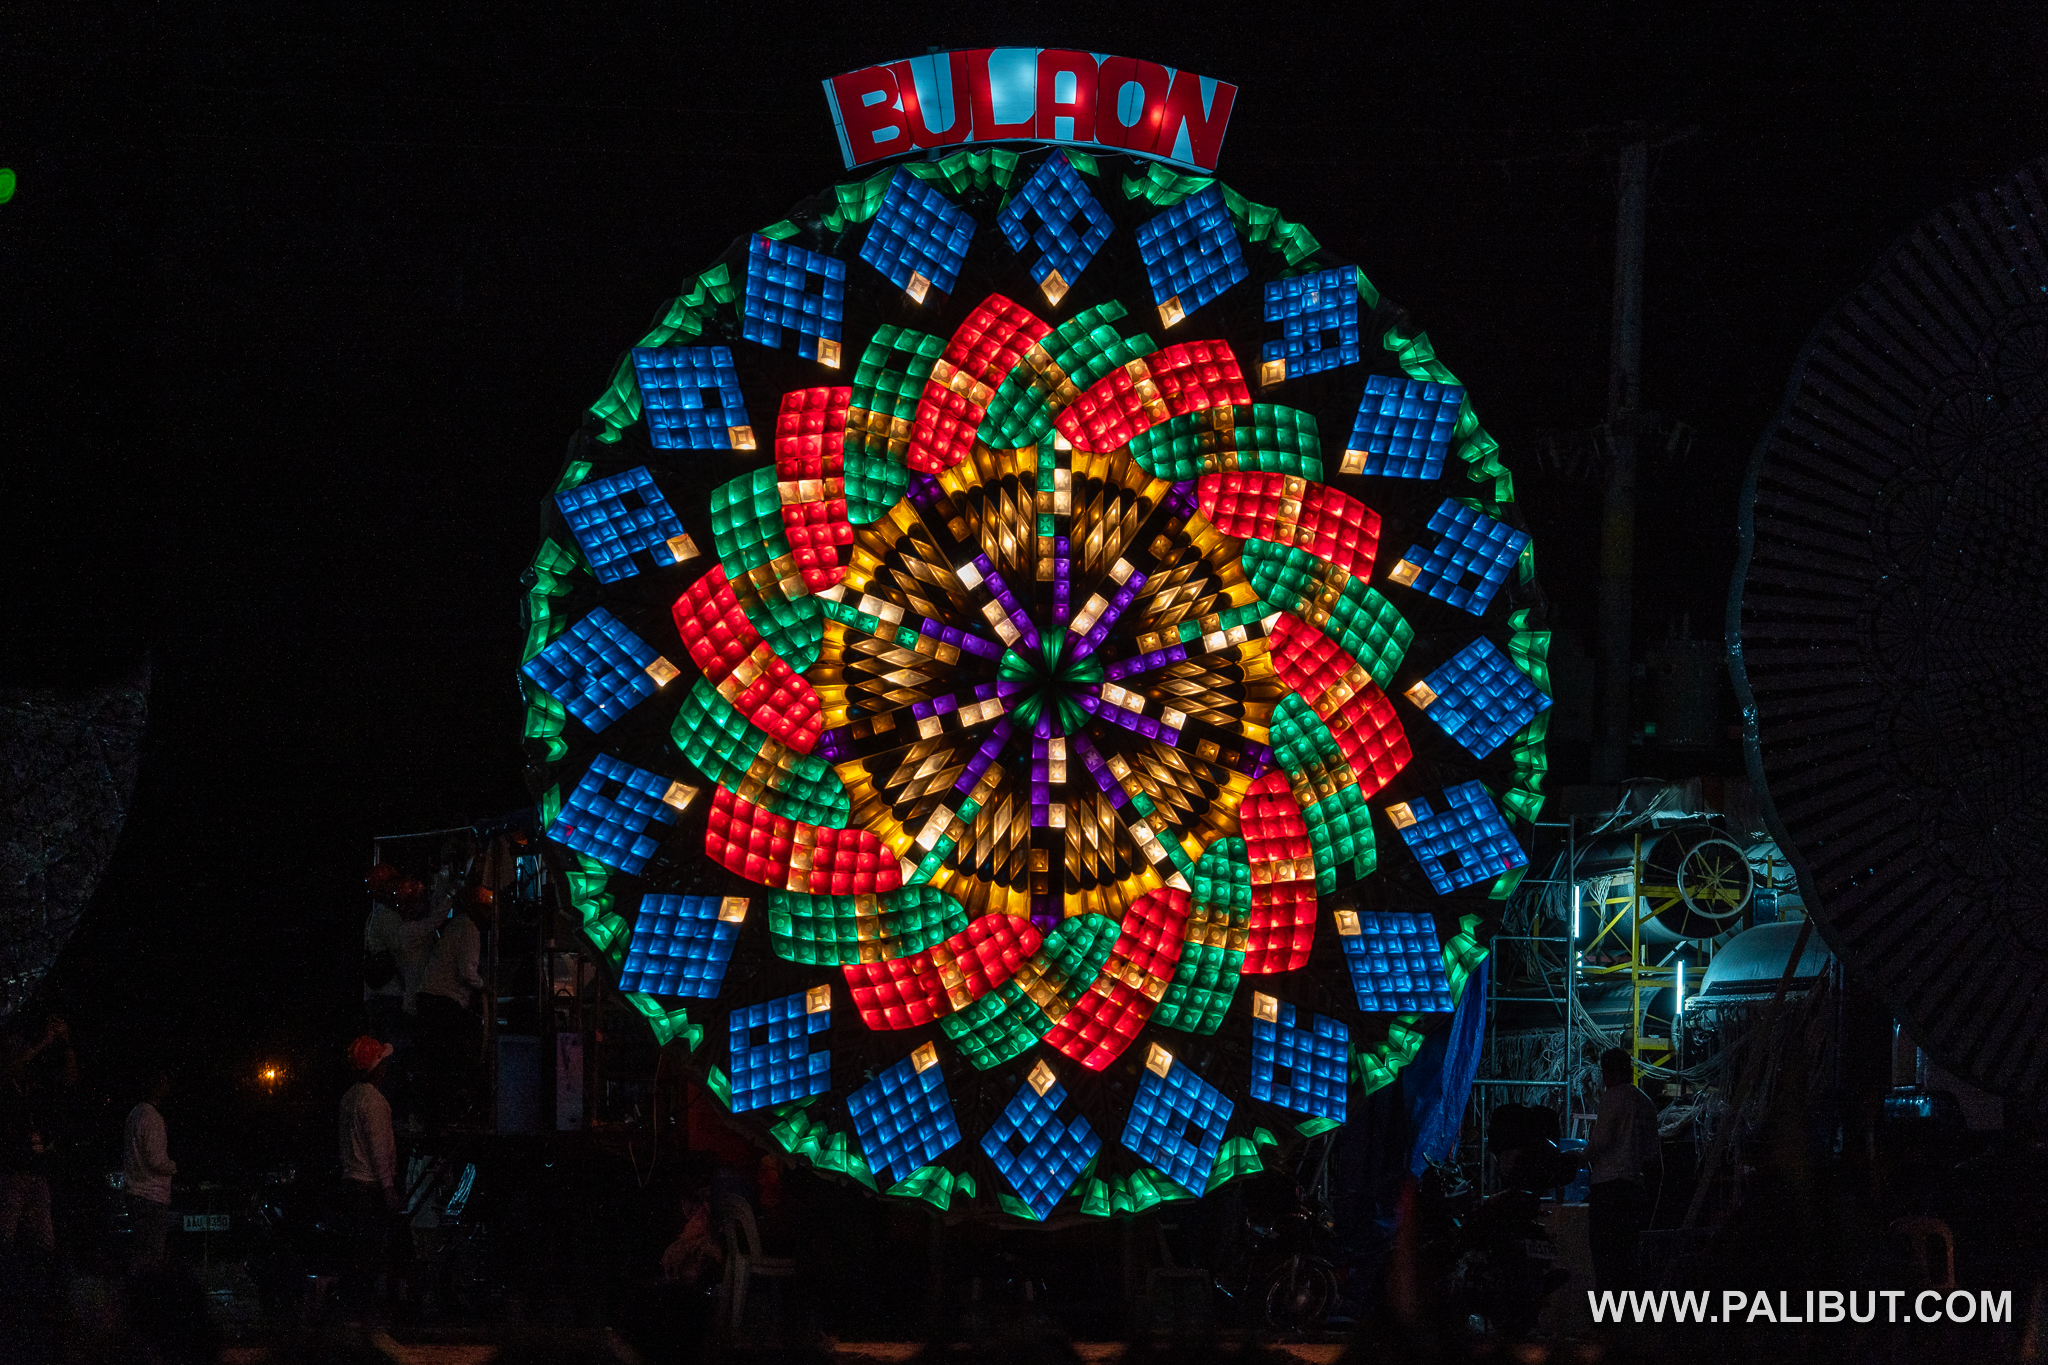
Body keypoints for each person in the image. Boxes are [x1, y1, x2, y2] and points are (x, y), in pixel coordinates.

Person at [0, 1014, 77, 1259]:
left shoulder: (33, 1085)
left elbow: (70, 1079)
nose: (25, 1052)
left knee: (45, 1238)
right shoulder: (6, 1083)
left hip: (37, 1168)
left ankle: (43, 1276)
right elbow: (11, 1068)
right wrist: (45, 1041)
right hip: (12, 1170)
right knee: (6, 1235)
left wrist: (65, 1042)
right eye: (17, 1048)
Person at [1585, 1046, 1661, 1290]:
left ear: (1610, 1072)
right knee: (1629, 1256)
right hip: (1635, 1187)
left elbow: (1601, 1142)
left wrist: (1581, 1155)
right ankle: (1629, 1309)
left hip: (1608, 1187)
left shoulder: (1612, 1098)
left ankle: (1607, 1310)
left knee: (1605, 1258)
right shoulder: (1645, 1101)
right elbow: (1651, 1151)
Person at [339, 1036, 401, 1311]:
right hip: (369, 1188)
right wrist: (388, 1187)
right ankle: (366, 1308)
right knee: (370, 1251)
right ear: (377, 1068)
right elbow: (378, 1149)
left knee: (356, 1251)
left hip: (352, 1184)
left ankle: (353, 1306)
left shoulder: (349, 1098)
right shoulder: (375, 1102)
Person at [416, 888, 492, 1110]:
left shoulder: (459, 924)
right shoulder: (469, 929)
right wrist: (485, 987)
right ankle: (448, 1107)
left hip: (432, 997)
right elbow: (466, 971)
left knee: (436, 1060)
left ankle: (433, 1110)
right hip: (443, 1000)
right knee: (450, 1058)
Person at [122, 1070, 178, 1272]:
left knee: (140, 1252)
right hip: (151, 1195)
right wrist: (174, 1166)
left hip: (135, 1192)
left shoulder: (134, 1114)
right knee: (152, 1256)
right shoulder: (152, 1117)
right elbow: (156, 1161)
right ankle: (146, 1289)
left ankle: (136, 1287)